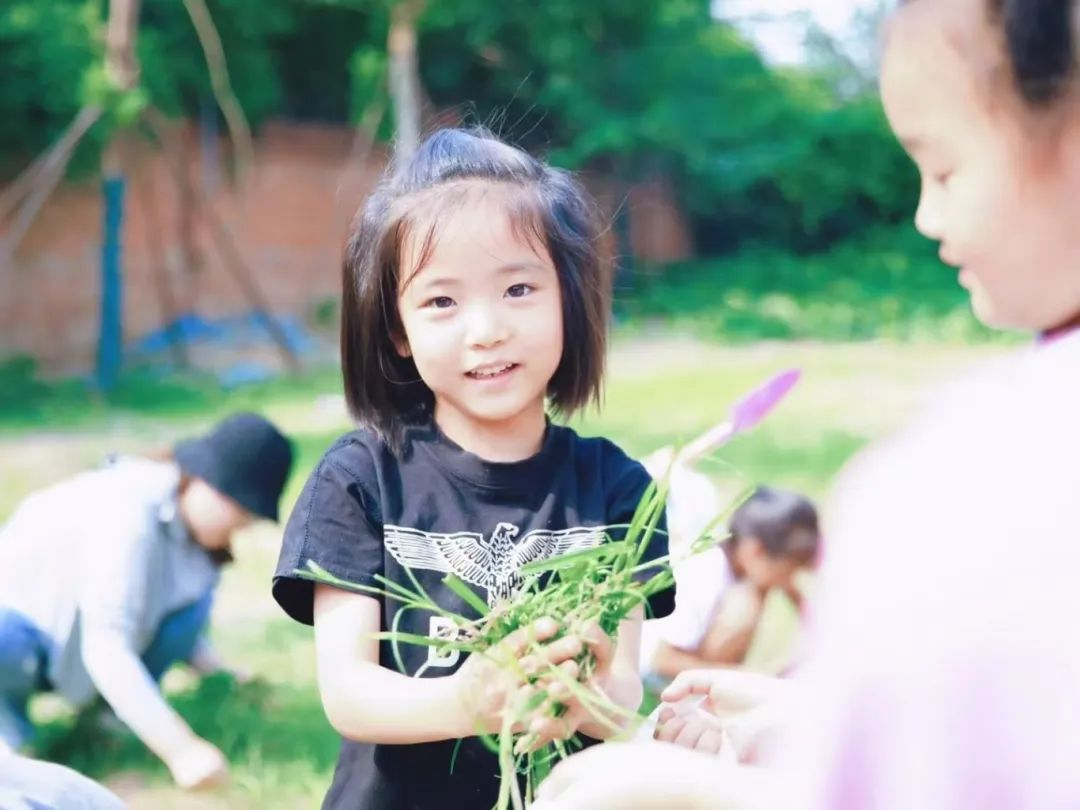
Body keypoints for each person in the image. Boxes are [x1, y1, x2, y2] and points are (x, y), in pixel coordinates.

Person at [534, 0, 1080, 807]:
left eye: (944, 167)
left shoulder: (976, 482)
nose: (927, 216)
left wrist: (686, 794)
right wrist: (821, 716)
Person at [271, 127, 675, 810]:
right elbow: (350, 695)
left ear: (569, 299)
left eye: (519, 288)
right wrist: (470, 700)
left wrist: (589, 696)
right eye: (441, 302)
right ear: (397, 331)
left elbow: (622, 692)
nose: (485, 329)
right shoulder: (361, 478)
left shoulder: (617, 489)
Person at [0, 412, 293, 790]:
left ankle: (106, 721)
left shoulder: (192, 534)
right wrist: (182, 750)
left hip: (70, 651)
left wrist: (220, 673)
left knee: (194, 605)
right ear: (206, 483)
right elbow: (107, 646)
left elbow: (170, 617)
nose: (242, 526)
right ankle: (11, 739)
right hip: (21, 633)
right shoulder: (130, 513)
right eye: (240, 512)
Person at [639, 483, 819, 685]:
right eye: (792, 568)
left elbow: (807, 610)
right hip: (650, 678)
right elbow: (662, 661)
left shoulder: (751, 565)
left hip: (689, 671)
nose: (792, 578)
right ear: (756, 551)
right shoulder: (707, 572)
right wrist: (750, 678)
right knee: (745, 603)